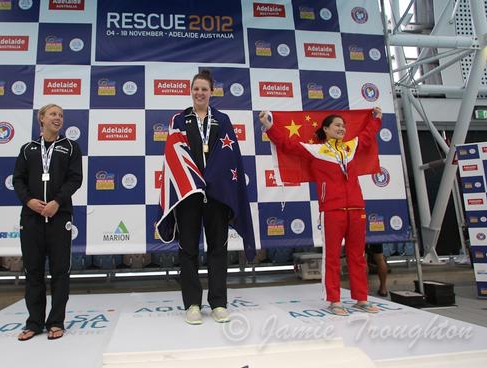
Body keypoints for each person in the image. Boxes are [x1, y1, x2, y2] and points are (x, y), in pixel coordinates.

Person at [259, 107, 382, 316]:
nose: (341, 128)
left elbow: (367, 135)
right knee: (332, 256)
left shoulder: (350, 148)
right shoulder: (315, 150)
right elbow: (287, 145)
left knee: (358, 256)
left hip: (356, 209)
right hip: (332, 210)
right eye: (337, 125)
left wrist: (376, 119)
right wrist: (269, 126)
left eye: (343, 126)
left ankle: (361, 299)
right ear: (326, 129)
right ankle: (334, 300)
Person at [156, 70, 256, 325]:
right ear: (190, 91)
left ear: (212, 92)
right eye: (196, 88)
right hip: (189, 195)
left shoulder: (222, 119)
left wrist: (210, 179)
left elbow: (230, 157)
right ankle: (191, 303)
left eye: (204, 89)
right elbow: (174, 156)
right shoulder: (179, 119)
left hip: (216, 195)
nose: (199, 93)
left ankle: (219, 303)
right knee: (187, 249)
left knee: (218, 249)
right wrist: (195, 181)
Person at [13, 104, 83, 340]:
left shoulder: (71, 147)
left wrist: (56, 202)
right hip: (31, 217)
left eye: (61, 115)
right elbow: (18, 180)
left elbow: (75, 179)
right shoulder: (28, 149)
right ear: (41, 119)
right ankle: (34, 323)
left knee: (60, 272)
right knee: (33, 271)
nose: (58, 118)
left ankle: (56, 322)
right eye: (53, 114)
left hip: (59, 216)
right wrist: (30, 201)